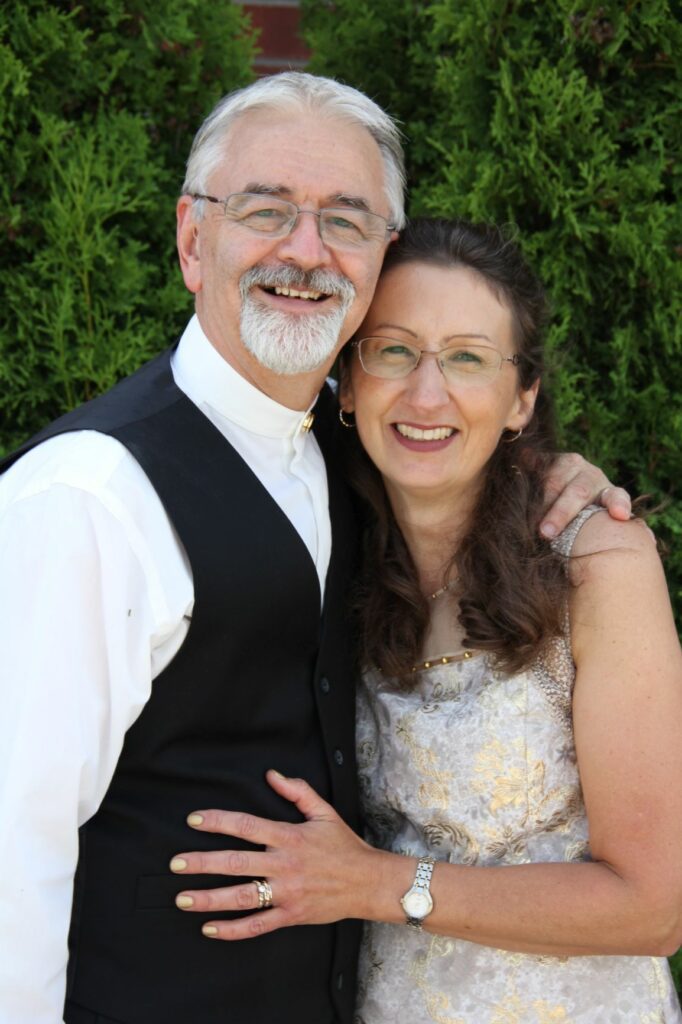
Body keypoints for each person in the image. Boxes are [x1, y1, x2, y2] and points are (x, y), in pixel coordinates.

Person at [0, 71, 627, 1024]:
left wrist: (560, 480)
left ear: (380, 256)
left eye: (346, 219)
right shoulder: (88, 496)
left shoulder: (362, 456)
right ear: (190, 239)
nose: (306, 250)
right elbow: (14, 849)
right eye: (266, 209)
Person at [170, 219, 682, 1022]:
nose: (426, 394)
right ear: (349, 378)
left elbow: (653, 908)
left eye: (469, 359)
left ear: (522, 399)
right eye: (394, 350)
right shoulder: (323, 544)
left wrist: (374, 883)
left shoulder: (597, 562)